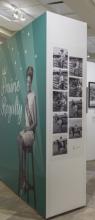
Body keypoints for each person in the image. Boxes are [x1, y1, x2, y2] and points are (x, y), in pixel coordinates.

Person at [17, 66, 37, 196]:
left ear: (32, 82)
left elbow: (35, 123)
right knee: (18, 139)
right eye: (27, 81)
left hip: (30, 132)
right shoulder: (26, 97)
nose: (28, 84)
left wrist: (27, 129)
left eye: (30, 82)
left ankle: (23, 180)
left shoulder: (33, 96)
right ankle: (24, 180)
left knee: (19, 139)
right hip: (25, 130)